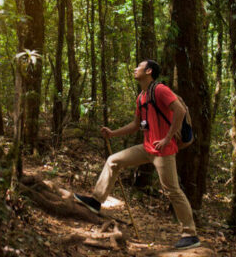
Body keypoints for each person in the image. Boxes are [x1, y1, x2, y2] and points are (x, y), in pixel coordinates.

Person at [73, 60, 201, 250]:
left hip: (163, 151)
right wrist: (112, 132)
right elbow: (135, 125)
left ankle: (190, 234)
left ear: (148, 71)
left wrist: (166, 138)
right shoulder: (141, 96)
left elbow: (180, 110)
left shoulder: (160, 90)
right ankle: (95, 201)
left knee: (172, 190)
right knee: (113, 161)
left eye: (138, 67)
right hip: (147, 147)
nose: (135, 69)